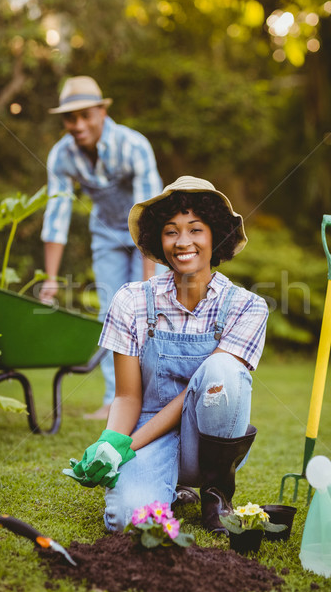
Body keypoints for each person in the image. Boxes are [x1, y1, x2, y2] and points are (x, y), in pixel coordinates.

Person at [64, 175, 269, 534]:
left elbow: (197, 391)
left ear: (215, 235)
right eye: (171, 231)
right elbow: (128, 396)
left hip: (206, 441)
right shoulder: (131, 300)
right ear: (159, 239)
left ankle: (216, 492)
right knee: (129, 521)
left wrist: (126, 445)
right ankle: (171, 492)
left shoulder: (246, 307)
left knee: (222, 369)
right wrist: (109, 443)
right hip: (149, 430)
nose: (183, 242)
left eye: (195, 229)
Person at [39, 76, 162, 420]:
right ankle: (116, 400)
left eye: (85, 116)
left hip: (149, 236)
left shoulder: (133, 145)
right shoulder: (62, 155)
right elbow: (57, 214)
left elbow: (149, 213)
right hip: (107, 234)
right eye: (69, 118)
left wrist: (149, 282)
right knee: (112, 312)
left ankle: (155, 400)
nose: (77, 126)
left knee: (153, 312)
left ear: (103, 112)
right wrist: (50, 278)